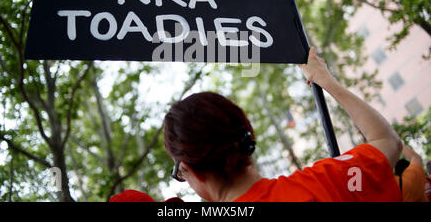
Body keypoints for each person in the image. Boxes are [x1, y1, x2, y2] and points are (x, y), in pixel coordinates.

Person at [163, 47, 403, 202]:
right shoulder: (330, 181)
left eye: (180, 172)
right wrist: (325, 80)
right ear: (247, 135)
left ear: (192, 170)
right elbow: (387, 142)